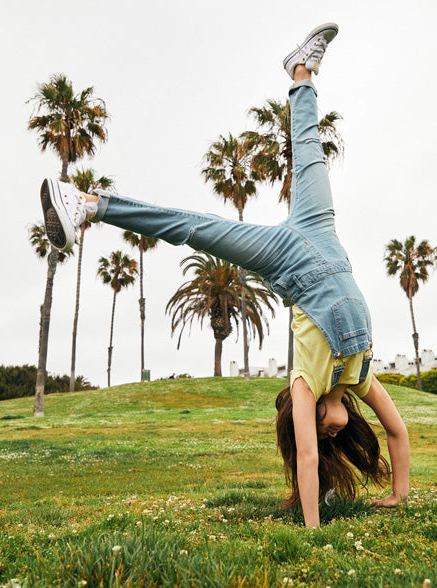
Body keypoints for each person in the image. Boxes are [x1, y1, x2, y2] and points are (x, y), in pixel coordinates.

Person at [40, 23, 410, 528]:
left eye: (319, 431)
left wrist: (313, 531)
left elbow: (305, 458)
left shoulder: (305, 385)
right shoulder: (360, 377)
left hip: (286, 259)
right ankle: (301, 72)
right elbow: (397, 434)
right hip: (321, 234)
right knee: (310, 153)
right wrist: (399, 495)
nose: (326, 432)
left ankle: (86, 204)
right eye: (330, 434)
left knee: (194, 227)